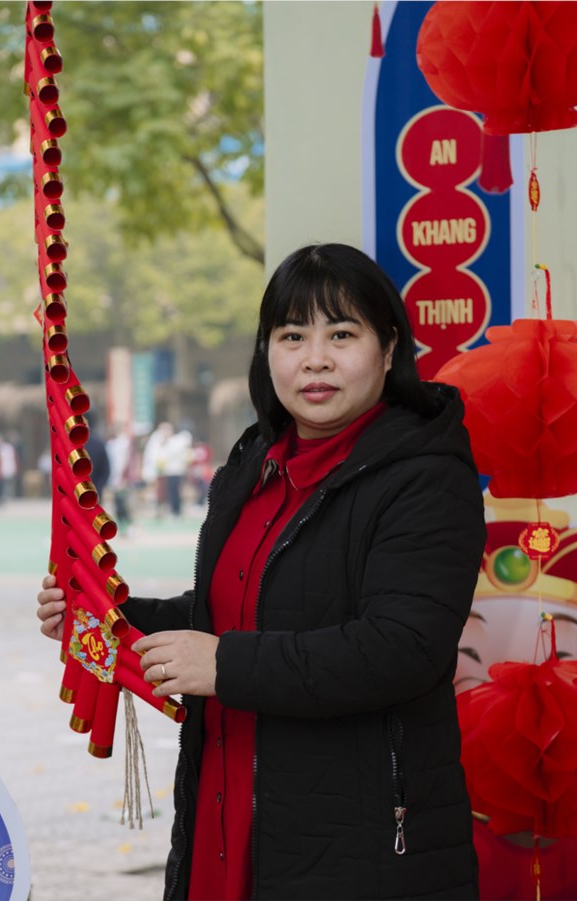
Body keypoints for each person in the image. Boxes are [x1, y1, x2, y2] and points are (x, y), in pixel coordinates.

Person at [37, 243, 486, 901]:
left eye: (342, 334)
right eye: (292, 335)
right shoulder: (256, 465)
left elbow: (403, 647)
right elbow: (235, 608)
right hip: (227, 817)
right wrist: (111, 614)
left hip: (361, 850)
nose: (315, 358)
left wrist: (225, 665)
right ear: (266, 350)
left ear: (389, 348)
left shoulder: (425, 477)